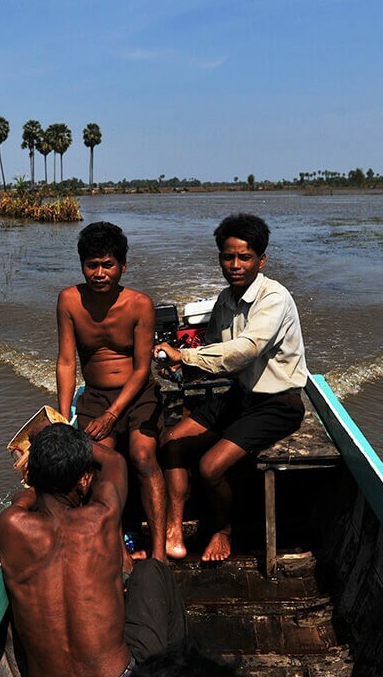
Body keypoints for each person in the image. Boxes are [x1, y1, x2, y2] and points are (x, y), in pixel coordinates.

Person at [0, 423, 187, 676]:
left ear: (29, 477)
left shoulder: (11, 526)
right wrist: (59, 431)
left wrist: (22, 502)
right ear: (84, 481)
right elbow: (113, 460)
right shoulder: (102, 516)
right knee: (152, 570)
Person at [154, 213, 308, 562]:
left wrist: (187, 356)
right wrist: (176, 364)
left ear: (261, 260)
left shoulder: (274, 299)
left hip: (278, 403)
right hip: (240, 395)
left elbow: (244, 351)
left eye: (245, 257)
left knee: (210, 466)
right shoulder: (224, 300)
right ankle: (174, 528)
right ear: (219, 258)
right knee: (171, 443)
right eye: (228, 257)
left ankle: (223, 531)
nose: (235, 265)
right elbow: (213, 356)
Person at [56, 221, 168, 562]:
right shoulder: (69, 301)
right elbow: (65, 362)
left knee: (143, 456)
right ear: (82, 266)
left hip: (137, 394)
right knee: (101, 463)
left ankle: (159, 552)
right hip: (94, 395)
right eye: (92, 265)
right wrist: (62, 419)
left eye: (108, 265)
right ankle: (119, 549)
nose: (100, 273)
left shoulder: (139, 304)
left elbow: (142, 369)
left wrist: (112, 414)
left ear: (122, 266)